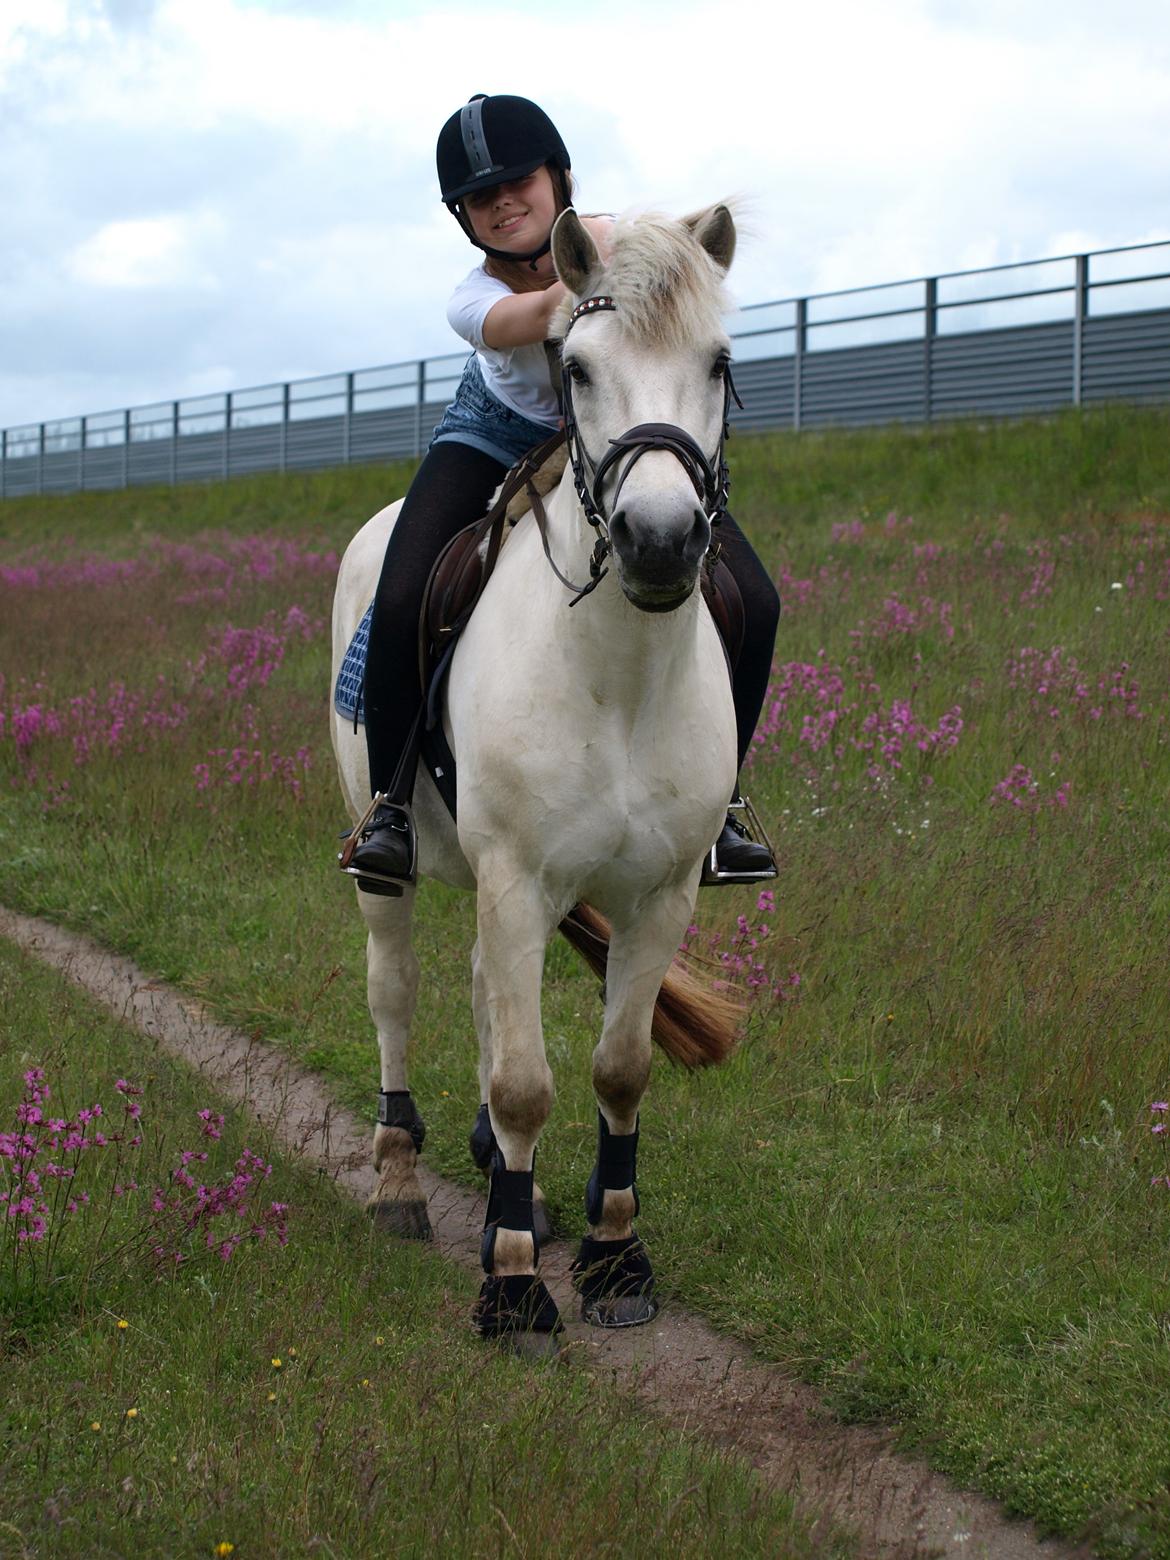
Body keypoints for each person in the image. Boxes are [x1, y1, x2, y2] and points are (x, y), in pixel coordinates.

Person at [348, 93, 779, 893]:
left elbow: (676, 285)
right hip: (498, 432)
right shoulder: (473, 300)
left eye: (520, 180)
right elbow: (543, 313)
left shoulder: (609, 241)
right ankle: (389, 810)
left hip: (617, 435)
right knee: (405, 589)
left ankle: (723, 809)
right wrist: (632, 258)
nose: (504, 201)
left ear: (559, 179)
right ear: (463, 217)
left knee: (756, 598)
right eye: (482, 196)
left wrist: (661, 256)